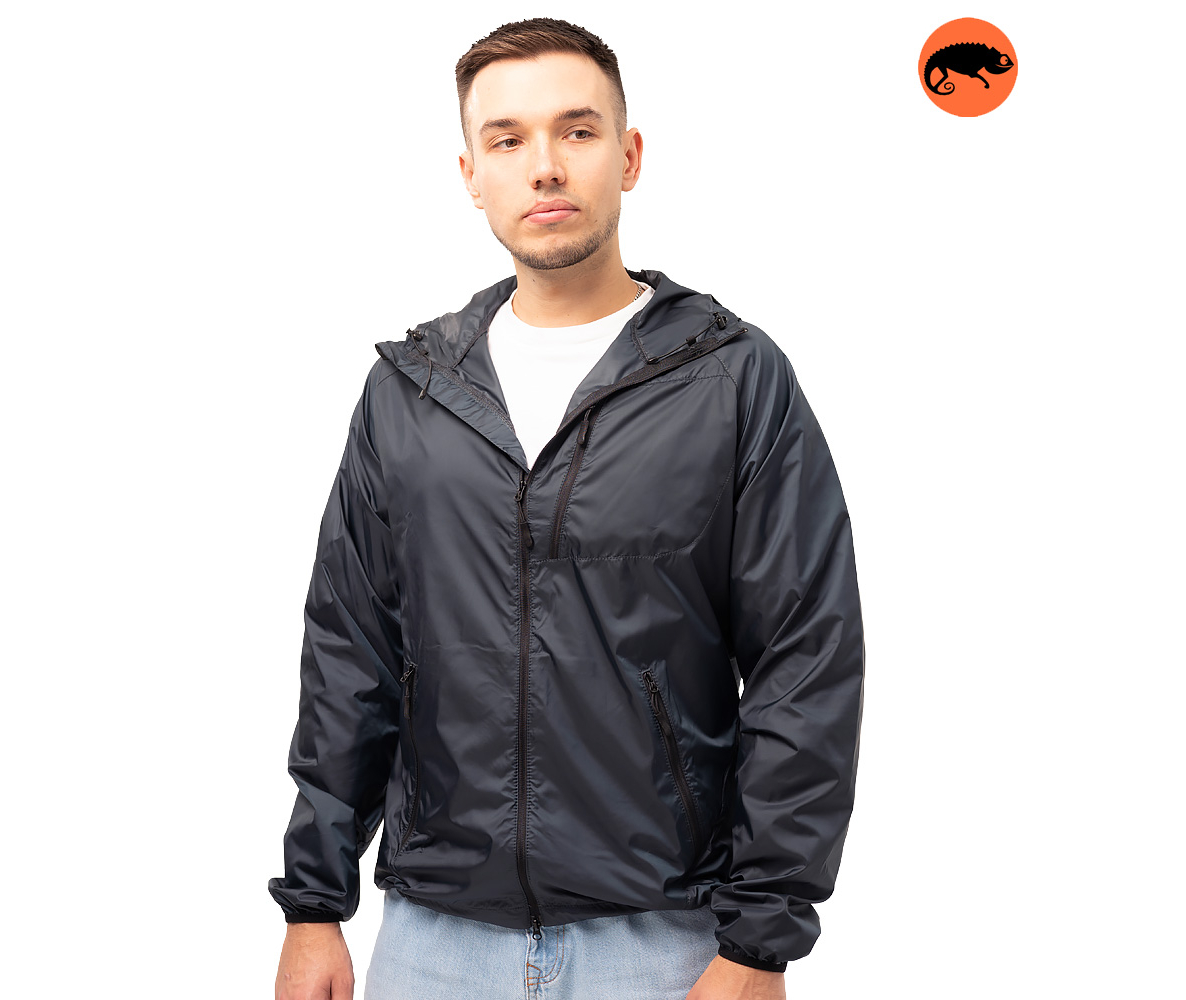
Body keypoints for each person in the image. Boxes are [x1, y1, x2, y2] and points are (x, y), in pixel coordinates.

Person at [269, 17, 865, 1000]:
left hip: (665, 943)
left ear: (627, 156)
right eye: (506, 140)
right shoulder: (410, 393)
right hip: (432, 944)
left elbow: (805, 660)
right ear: (471, 174)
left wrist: (759, 943)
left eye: (575, 131)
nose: (543, 164)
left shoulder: (730, 379)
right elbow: (349, 652)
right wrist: (311, 904)